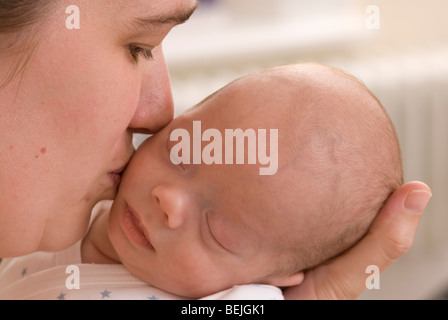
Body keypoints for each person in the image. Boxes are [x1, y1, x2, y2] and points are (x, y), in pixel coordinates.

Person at [0, 0, 431, 300]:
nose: (167, 200)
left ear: (272, 277)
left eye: (217, 232)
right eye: (179, 153)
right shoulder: (81, 208)